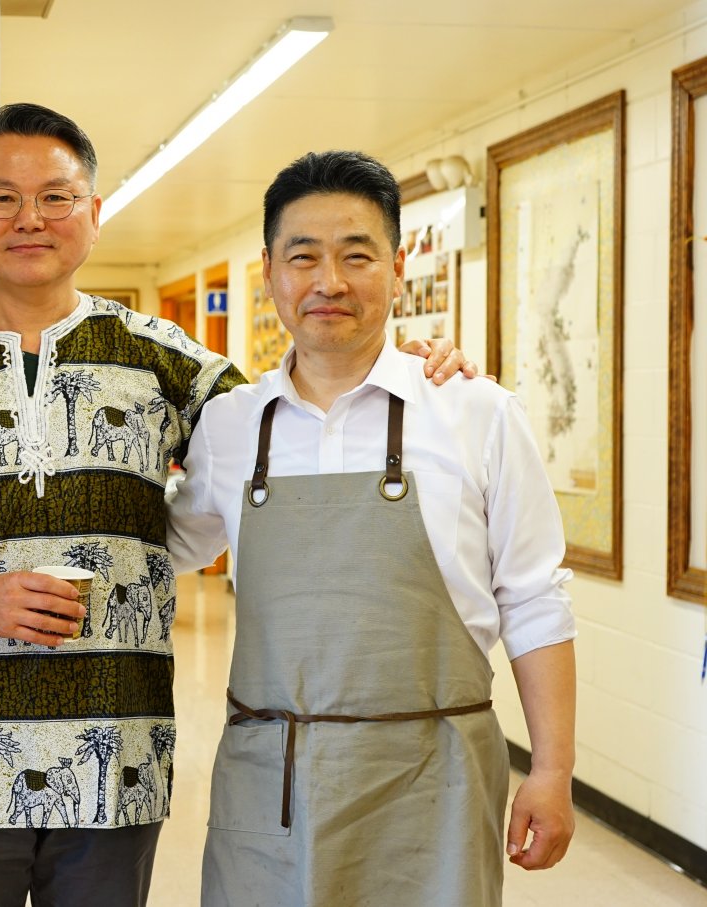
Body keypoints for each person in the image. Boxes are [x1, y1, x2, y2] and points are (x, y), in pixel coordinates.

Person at [0, 104, 474, 907]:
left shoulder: (166, 359)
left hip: (118, 756)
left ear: (94, 212)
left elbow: (301, 419)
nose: (30, 218)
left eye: (56, 197)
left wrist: (406, 365)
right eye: (2, 197)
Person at [166, 150, 577, 907]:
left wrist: (552, 769)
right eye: (303, 257)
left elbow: (534, 598)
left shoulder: (476, 412)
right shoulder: (230, 427)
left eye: (356, 255)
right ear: (271, 273)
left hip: (435, 776)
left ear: (396, 268)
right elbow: (156, 552)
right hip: (272, 778)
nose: (329, 281)